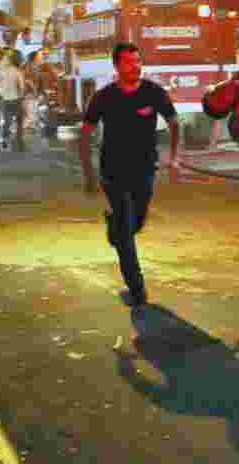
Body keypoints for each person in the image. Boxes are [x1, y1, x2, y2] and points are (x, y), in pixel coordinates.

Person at [79, 42, 181, 309]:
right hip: (112, 172)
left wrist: (175, 157)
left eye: (137, 61)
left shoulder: (153, 92)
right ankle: (137, 287)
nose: (135, 66)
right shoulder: (103, 97)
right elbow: (86, 132)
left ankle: (115, 226)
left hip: (145, 169)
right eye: (128, 62)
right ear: (116, 66)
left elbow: (173, 122)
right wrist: (88, 173)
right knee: (126, 232)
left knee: (135, 224)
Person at [0, 50, 26, 151]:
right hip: (16, 98)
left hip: (5, 99)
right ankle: (19, 138)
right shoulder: (18, 71)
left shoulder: (3, 72)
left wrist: (2, 94)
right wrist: (21, 96)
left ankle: (5, 139)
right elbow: (22, 86)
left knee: (7, 120)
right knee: (19, 120)